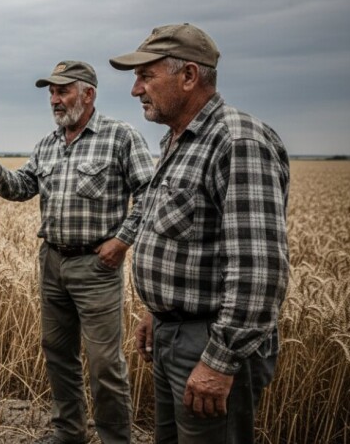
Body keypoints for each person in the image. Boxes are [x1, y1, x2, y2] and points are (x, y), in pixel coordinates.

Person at [109, 23, 290, 443]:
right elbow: (183, 241)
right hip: (174, 335)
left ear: (189, 76)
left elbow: (258, 271)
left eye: (146, 76)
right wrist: (159, 312)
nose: (136, 89)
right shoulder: (179, 141)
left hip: (209, 343)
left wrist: (219, 361)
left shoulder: (237, 141)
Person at [0, 61, 154, 444]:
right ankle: (69, 432)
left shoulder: (120, 137)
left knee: (104, 364)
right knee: (56, 351)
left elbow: (150, 194)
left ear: (88, 94)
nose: (54, 99)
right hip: (52, 261)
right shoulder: (48, 144)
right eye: (51, 92)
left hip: (96, 265)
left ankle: (116, 440)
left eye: (62, 90)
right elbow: (24, 186)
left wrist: (121, 242)